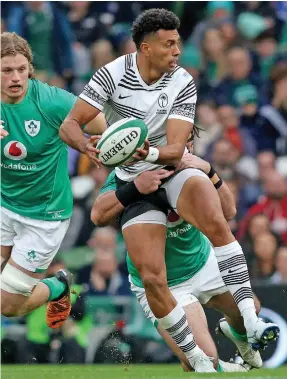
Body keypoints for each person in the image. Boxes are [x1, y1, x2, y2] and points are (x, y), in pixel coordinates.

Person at [59, 9, 278, 371]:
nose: (178, 51)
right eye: (169, 44)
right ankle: (200, 359)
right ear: (146, 48)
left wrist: (193, 166)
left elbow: (179, 153)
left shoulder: (183, 83)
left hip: (175, 184)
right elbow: (71, 128)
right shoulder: (112, 75)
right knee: (201, 359)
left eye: (178, 42)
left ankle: (247, 326)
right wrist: (86, 146)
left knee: (241, 285)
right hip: (142, 206)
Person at [91, 153, 263, 372]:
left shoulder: (191, 166)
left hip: (202, 262)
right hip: (164, 284)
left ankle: (241, 345)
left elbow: (229, 212)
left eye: (187, 141)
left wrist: (209, 170)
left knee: (252, 309)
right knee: (202, 361)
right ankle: (225, 370)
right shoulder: (127, 172)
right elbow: (97, 215)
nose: (185, 146)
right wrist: (135, 188)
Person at [0, 32, 106, 327]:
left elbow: (101, 123)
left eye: (21, 69)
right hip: (4, 203)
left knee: (7, 306)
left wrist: (107, 140)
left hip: (44, 217)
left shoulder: (51, 101)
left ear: (30, 70)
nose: (15, 77)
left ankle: (59, 286)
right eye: (6, 70)